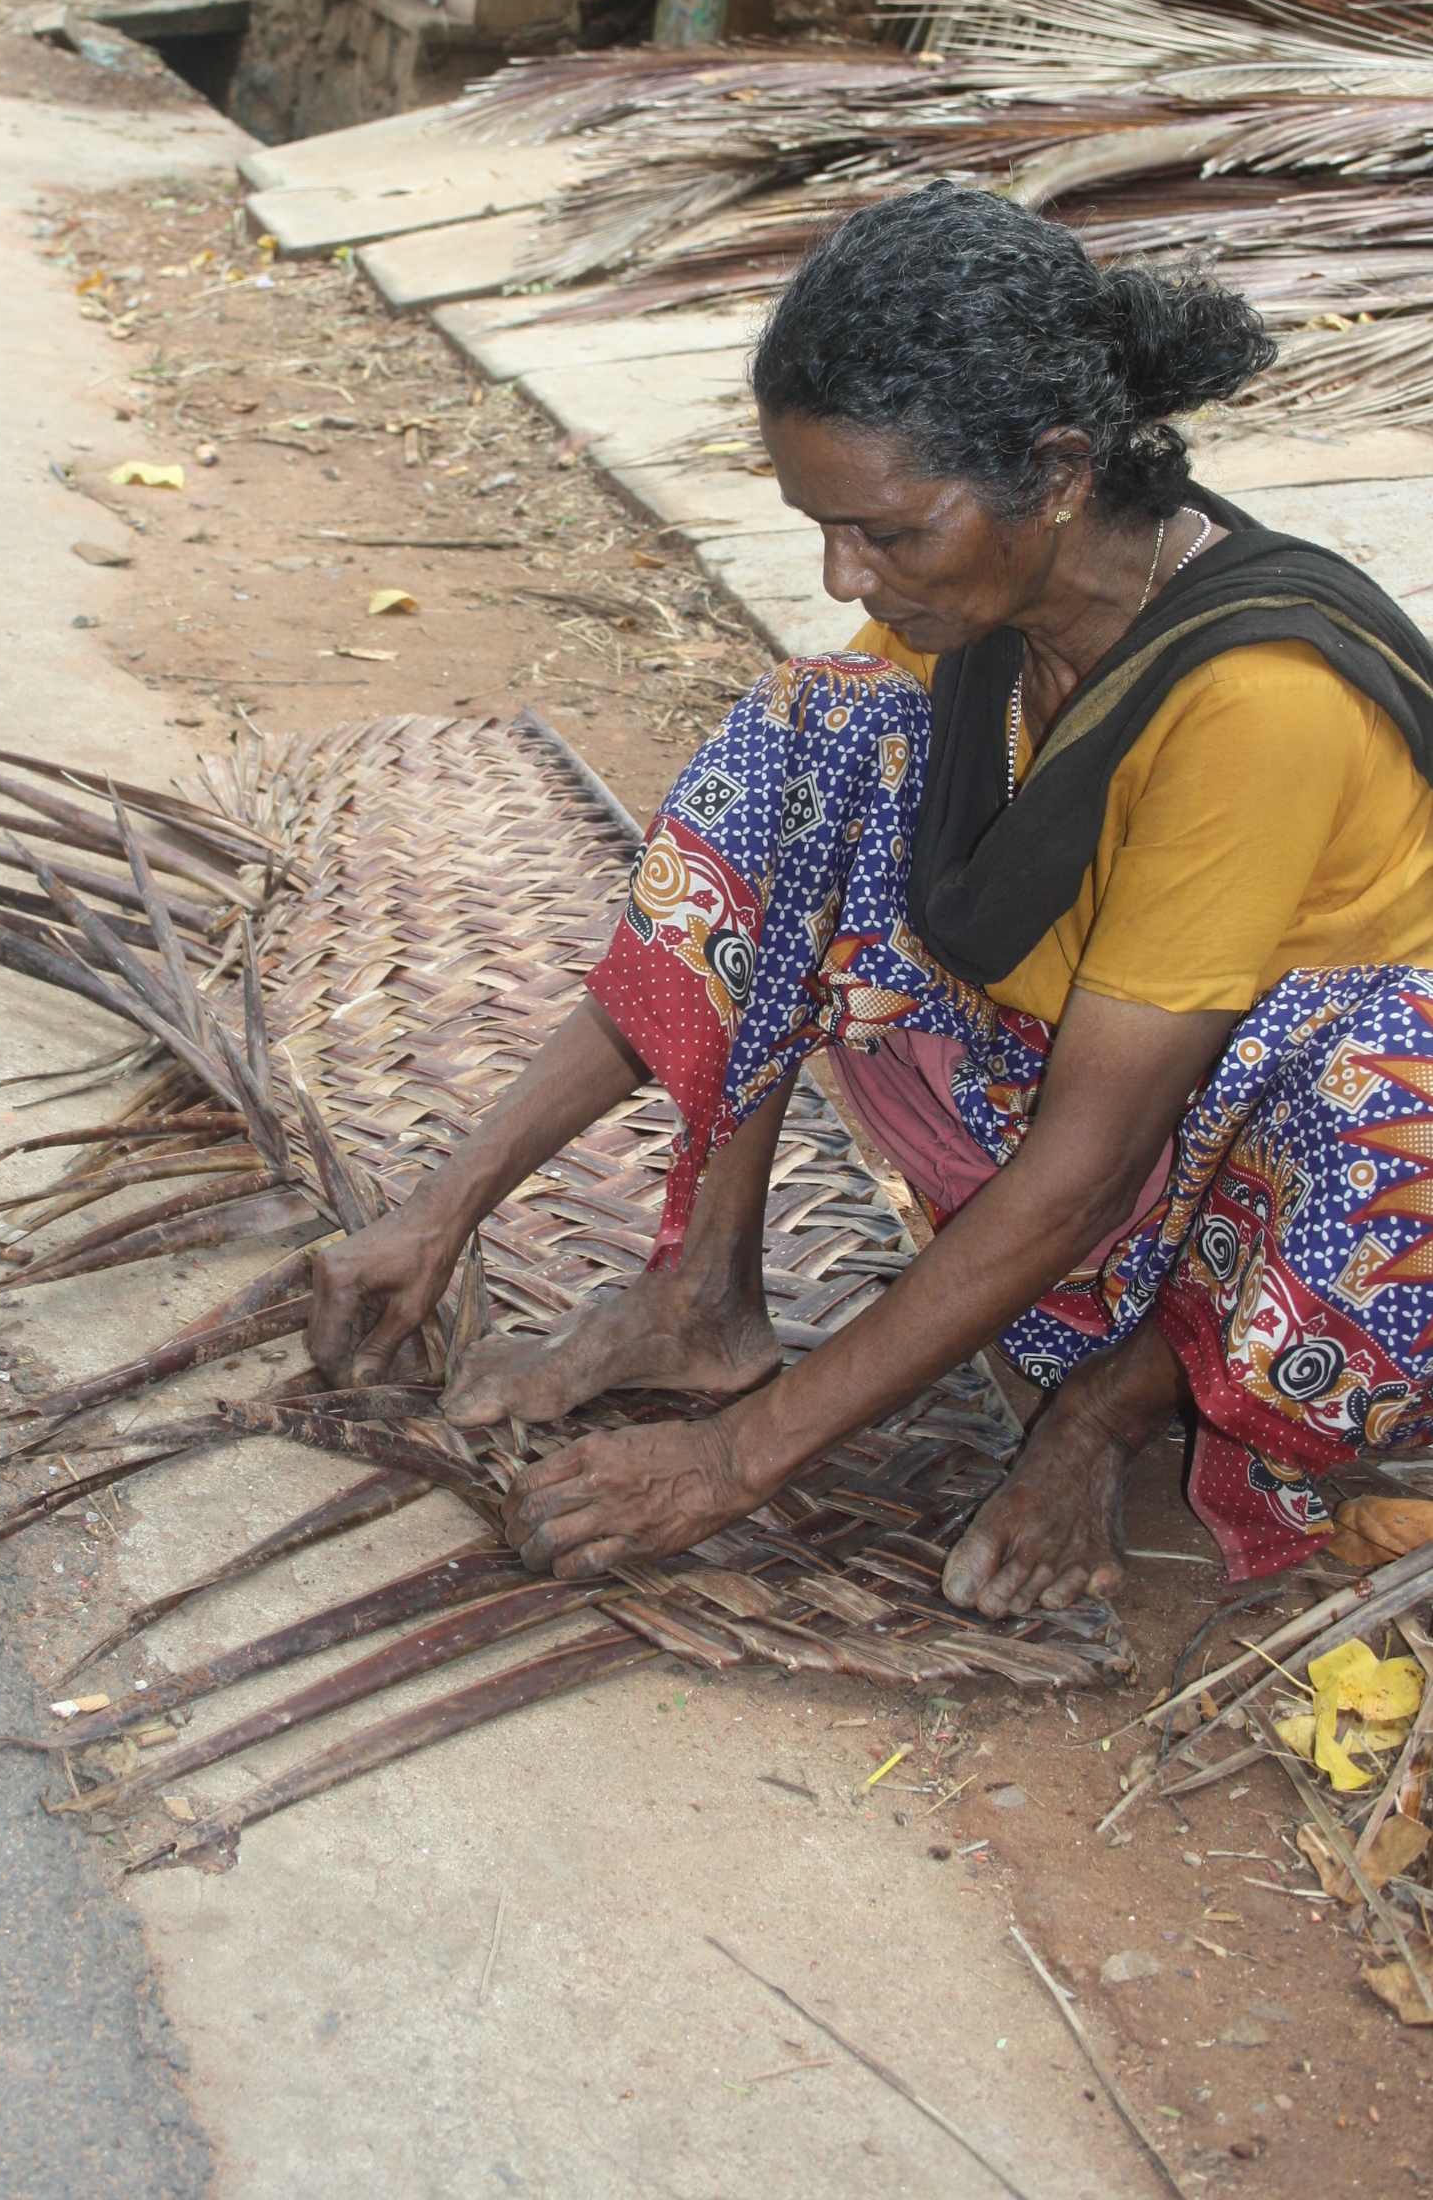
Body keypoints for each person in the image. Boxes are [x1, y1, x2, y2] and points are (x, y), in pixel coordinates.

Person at [308, 181, 1433, 1607]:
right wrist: (443, 1205)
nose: (847, 572)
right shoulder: (992, 602)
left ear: (1062, 471)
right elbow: (749, 888)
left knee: (1401, 1079)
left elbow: (1084, 1171)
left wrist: (734, 1467)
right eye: (823, 525)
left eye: (888, 533)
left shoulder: (1260, 703)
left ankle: (1108, 1411)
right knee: (813, 735)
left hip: (1269, 1219)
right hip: (1081, 1138)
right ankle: (700, 1293)